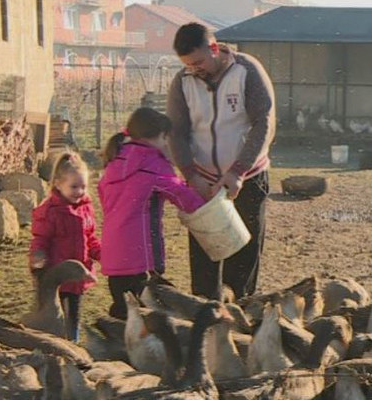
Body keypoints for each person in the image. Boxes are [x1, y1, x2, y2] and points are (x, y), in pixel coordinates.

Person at [167, 22, 276, 300]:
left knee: (243, 264)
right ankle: (206, 322)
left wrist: (238, 171)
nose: (195, 69)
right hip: (203, 183)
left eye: (199, 61)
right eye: (188, 64)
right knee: (204, 268)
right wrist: (191, 175)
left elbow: (264, 124)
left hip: (247, 179)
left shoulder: (247, 70)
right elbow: (177, 132)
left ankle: (240, 320)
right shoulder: (182, 82)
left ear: (214, 48)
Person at [98, 107, 205, 320]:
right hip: (141, 254)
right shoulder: (152, 163)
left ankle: (118, 341)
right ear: (160, 136)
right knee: (143, 312)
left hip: (113, 254)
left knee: (122, 307)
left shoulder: (115, 161)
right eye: (166, 138)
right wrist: (204, 204)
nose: (167, 144)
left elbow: (103, 195)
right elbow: (179, 194)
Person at [29, 152, 101, 342]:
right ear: (58, 184)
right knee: (56, 314)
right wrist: (37, 256)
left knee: (74, 313)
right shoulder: (50, 212)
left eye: (83, 187)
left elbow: (90, 237)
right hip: (56, 275)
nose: (79, 192)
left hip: (77, 276)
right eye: (74, 187)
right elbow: (40, 238)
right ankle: (55, 342)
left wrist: (101, 253)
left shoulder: (85, 208)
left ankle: (73, 342)